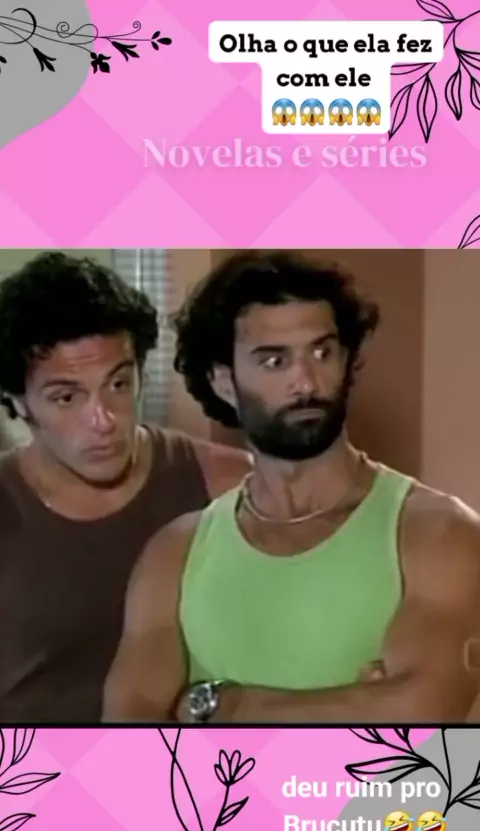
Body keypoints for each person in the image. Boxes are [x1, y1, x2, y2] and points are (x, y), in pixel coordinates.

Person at [103, 250, 480, 724]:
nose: (306, 382)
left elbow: (424, 715)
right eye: (274, 361)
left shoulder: (438, 534)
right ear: (223, 382)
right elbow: (127, 737)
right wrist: (354, 704)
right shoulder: (175, 553)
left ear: (346, 359)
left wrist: (226, 705)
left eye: (322, 353)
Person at [0, 251, 250, 723]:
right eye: (66, 397)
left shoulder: (226, 485)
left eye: (118, 383)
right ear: (19, 402)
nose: (103, 420)